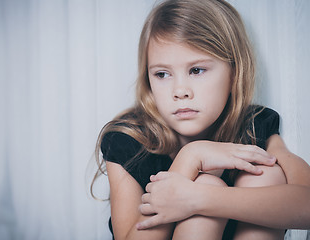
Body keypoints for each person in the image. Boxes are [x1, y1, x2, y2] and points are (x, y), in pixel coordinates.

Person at [91, 0, 310, 239]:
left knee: (264, 173)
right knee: (210, 182)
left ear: (234, 73)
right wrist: (192, 156)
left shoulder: (254, 124)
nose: (180, 90)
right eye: (162, 74)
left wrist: (200, 199)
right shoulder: (128, 140)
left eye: (196, 70)